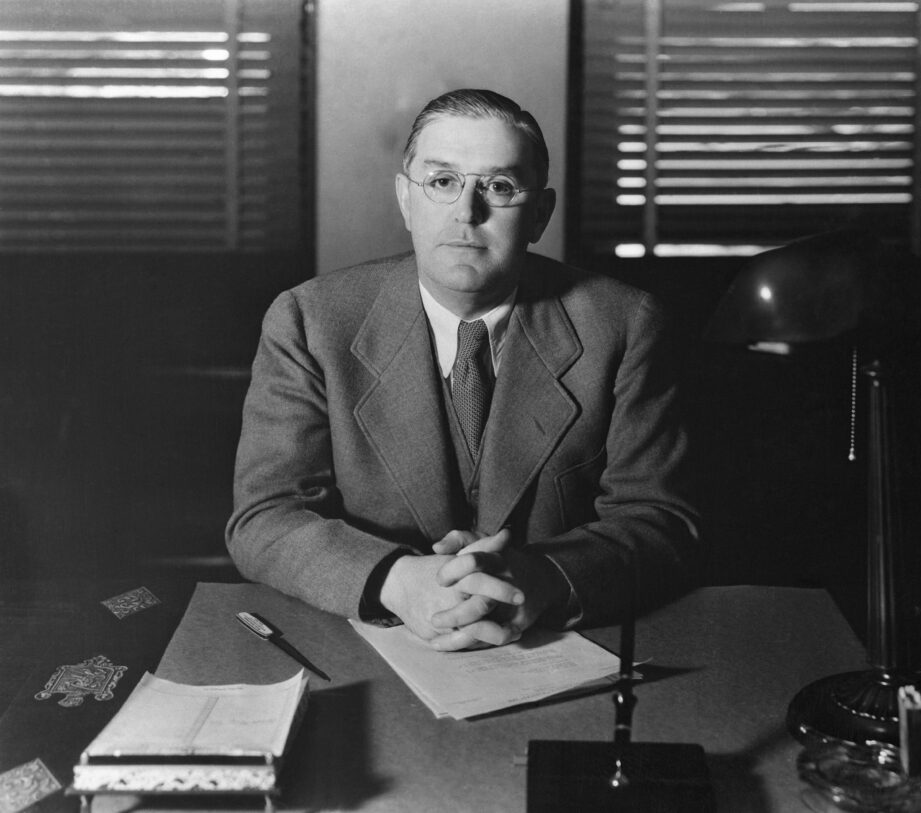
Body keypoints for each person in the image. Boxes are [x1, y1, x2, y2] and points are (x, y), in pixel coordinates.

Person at [227, 88, 701, 651]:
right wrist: (396, 581)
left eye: (499, 187)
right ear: (407, 199)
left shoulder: (624, 324)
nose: (467, 212)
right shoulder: (310, 320)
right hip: (373, 646)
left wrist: (545, 577)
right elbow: (265, 516)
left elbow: (662, 520)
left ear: (540, 214)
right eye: (442, 181)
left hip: (556, 648)